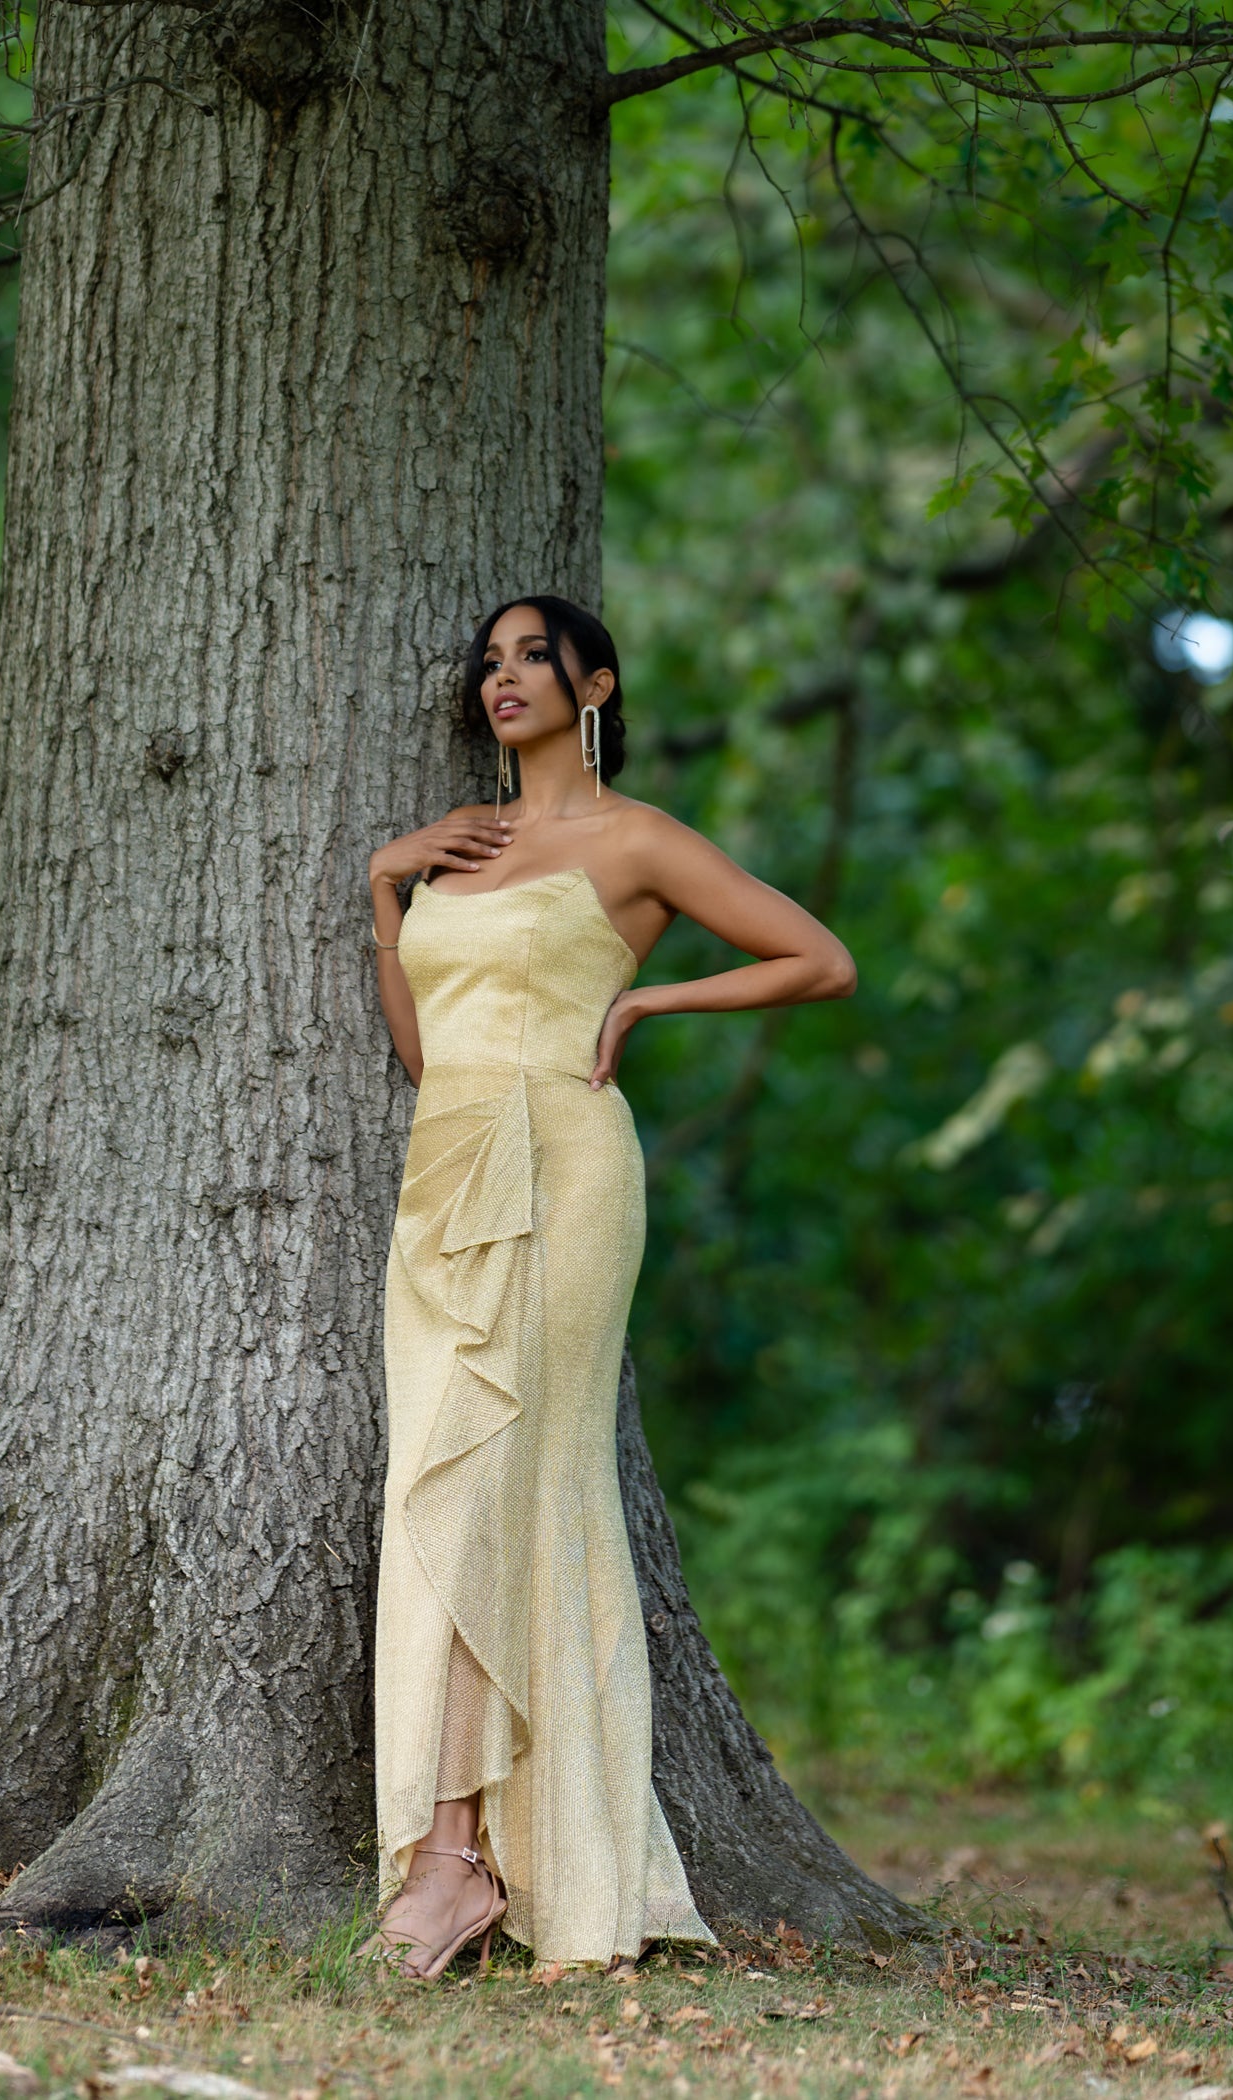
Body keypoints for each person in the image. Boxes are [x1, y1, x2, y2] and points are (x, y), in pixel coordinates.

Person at [360, 596, 856, 1978]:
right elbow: (425, 1052)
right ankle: (454, 1852)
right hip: (446, 1167)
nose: (503, 677)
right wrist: (386, 889)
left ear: (595, 683)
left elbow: (819, 957)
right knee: (434, 1489)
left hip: (568, 1166)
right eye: (490, 661)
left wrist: (647, 1002)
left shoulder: (634, 840)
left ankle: (460, 1866)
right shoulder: (460, 845)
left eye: (533, 656)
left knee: (520, 1485)